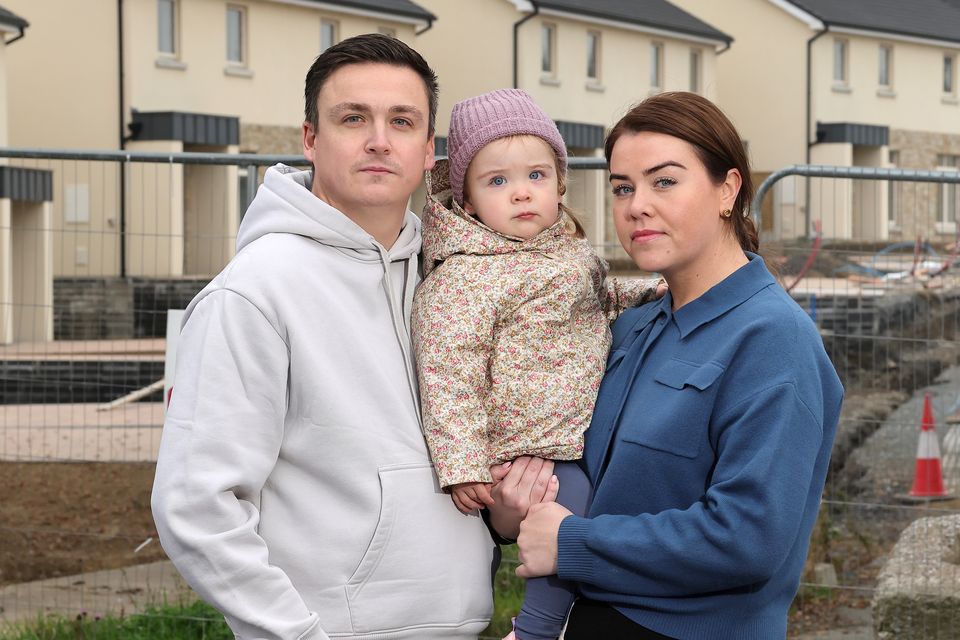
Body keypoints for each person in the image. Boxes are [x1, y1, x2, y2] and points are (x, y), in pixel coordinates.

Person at [151, 34, 553, 640]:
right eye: (352, 118)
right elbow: (195, 506)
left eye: (401, 121)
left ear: (428, 152)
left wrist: (500, 512)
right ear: (310, 138)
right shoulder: (255, 293)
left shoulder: (453, 278)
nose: (378, 139)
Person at [513, 92, 844, 639]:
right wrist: (517, 505)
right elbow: (586, 487)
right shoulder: (632, 326)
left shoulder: (773, 341)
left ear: (728, 189)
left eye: (664, 181)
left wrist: (572, 543)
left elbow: (747, 538)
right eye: (622, 187)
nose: (636, 204)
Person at [412, 89, 662, 640]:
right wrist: (462, 465)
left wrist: (653, 294)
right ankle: (536, 630)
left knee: (600, 521)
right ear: (469, 200)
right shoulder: (463, 279)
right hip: (529, 446)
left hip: (575, 431)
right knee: (568, 519)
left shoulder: (568, 252)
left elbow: (600, 299)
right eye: (497, 181)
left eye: (537, 175)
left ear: (559, 182)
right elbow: (448, 375)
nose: (522, 192)